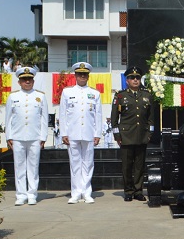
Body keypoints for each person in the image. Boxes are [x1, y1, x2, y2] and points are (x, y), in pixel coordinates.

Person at [6, 66, 49, 206]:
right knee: (19, 166)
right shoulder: (13, 97)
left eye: (29, 79)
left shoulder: (40, 96)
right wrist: (9, 136)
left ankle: (32, 194)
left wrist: (43, 137)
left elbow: (44, 118)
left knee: (33, 166)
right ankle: (20, 194)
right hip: (17, 136)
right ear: (19, 82)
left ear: (33, 80)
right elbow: (8, 118)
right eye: (24, 80)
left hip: (35, 136)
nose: (27, 82)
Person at [60, 62, 102, 204]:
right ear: (75, 76)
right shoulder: (67, 92)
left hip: (89, 133)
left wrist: (97, 134)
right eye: (80, 74)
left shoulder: (95, 93)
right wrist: (63, 133)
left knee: (88, 163)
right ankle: (76, 192)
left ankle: (86, 192)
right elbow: (63, 114)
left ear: (88, 76)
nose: (82, 76)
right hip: (72, 133)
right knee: (75, 163)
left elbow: (98, 115)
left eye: (85, 74)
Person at [111, 66, 154, 202]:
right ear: (127, 80)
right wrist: (117, 136)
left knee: (139, 165)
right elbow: (114, 119)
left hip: (141, 135)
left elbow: (150, 118)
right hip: (126, 136)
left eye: (137, 78)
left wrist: (149, 134)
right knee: (127, 166)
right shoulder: (120, 96)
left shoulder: (147, 95)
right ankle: (128, 191)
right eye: (132, 78)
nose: (135, 80)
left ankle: (138, 191)